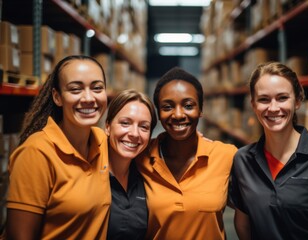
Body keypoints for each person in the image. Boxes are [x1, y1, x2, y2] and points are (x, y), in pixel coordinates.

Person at [230, 61, 308, 240]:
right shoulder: (243, 160)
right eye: (264, 99)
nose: (273, 108)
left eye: (282, 98)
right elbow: (243, 223)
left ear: (298, 101)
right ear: (253, 104)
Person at [6, 55, 111, 239]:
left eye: (97, 88)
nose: (88, 98)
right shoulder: (36, 153)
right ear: (57, 97)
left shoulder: (102, 142)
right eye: (76, 89)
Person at [136, 67, 238, 240]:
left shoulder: (226, 156)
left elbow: (254, 209)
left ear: (200, 109)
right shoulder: (139, 158)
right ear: (158, 114)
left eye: (188, 105)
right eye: (167, 107)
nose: (178, 114)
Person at [105, 89, 157, 239]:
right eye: (125, 123)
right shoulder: (89, 172)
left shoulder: (147, 175)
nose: (135, 133)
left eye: (144, 127)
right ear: (108, 126)